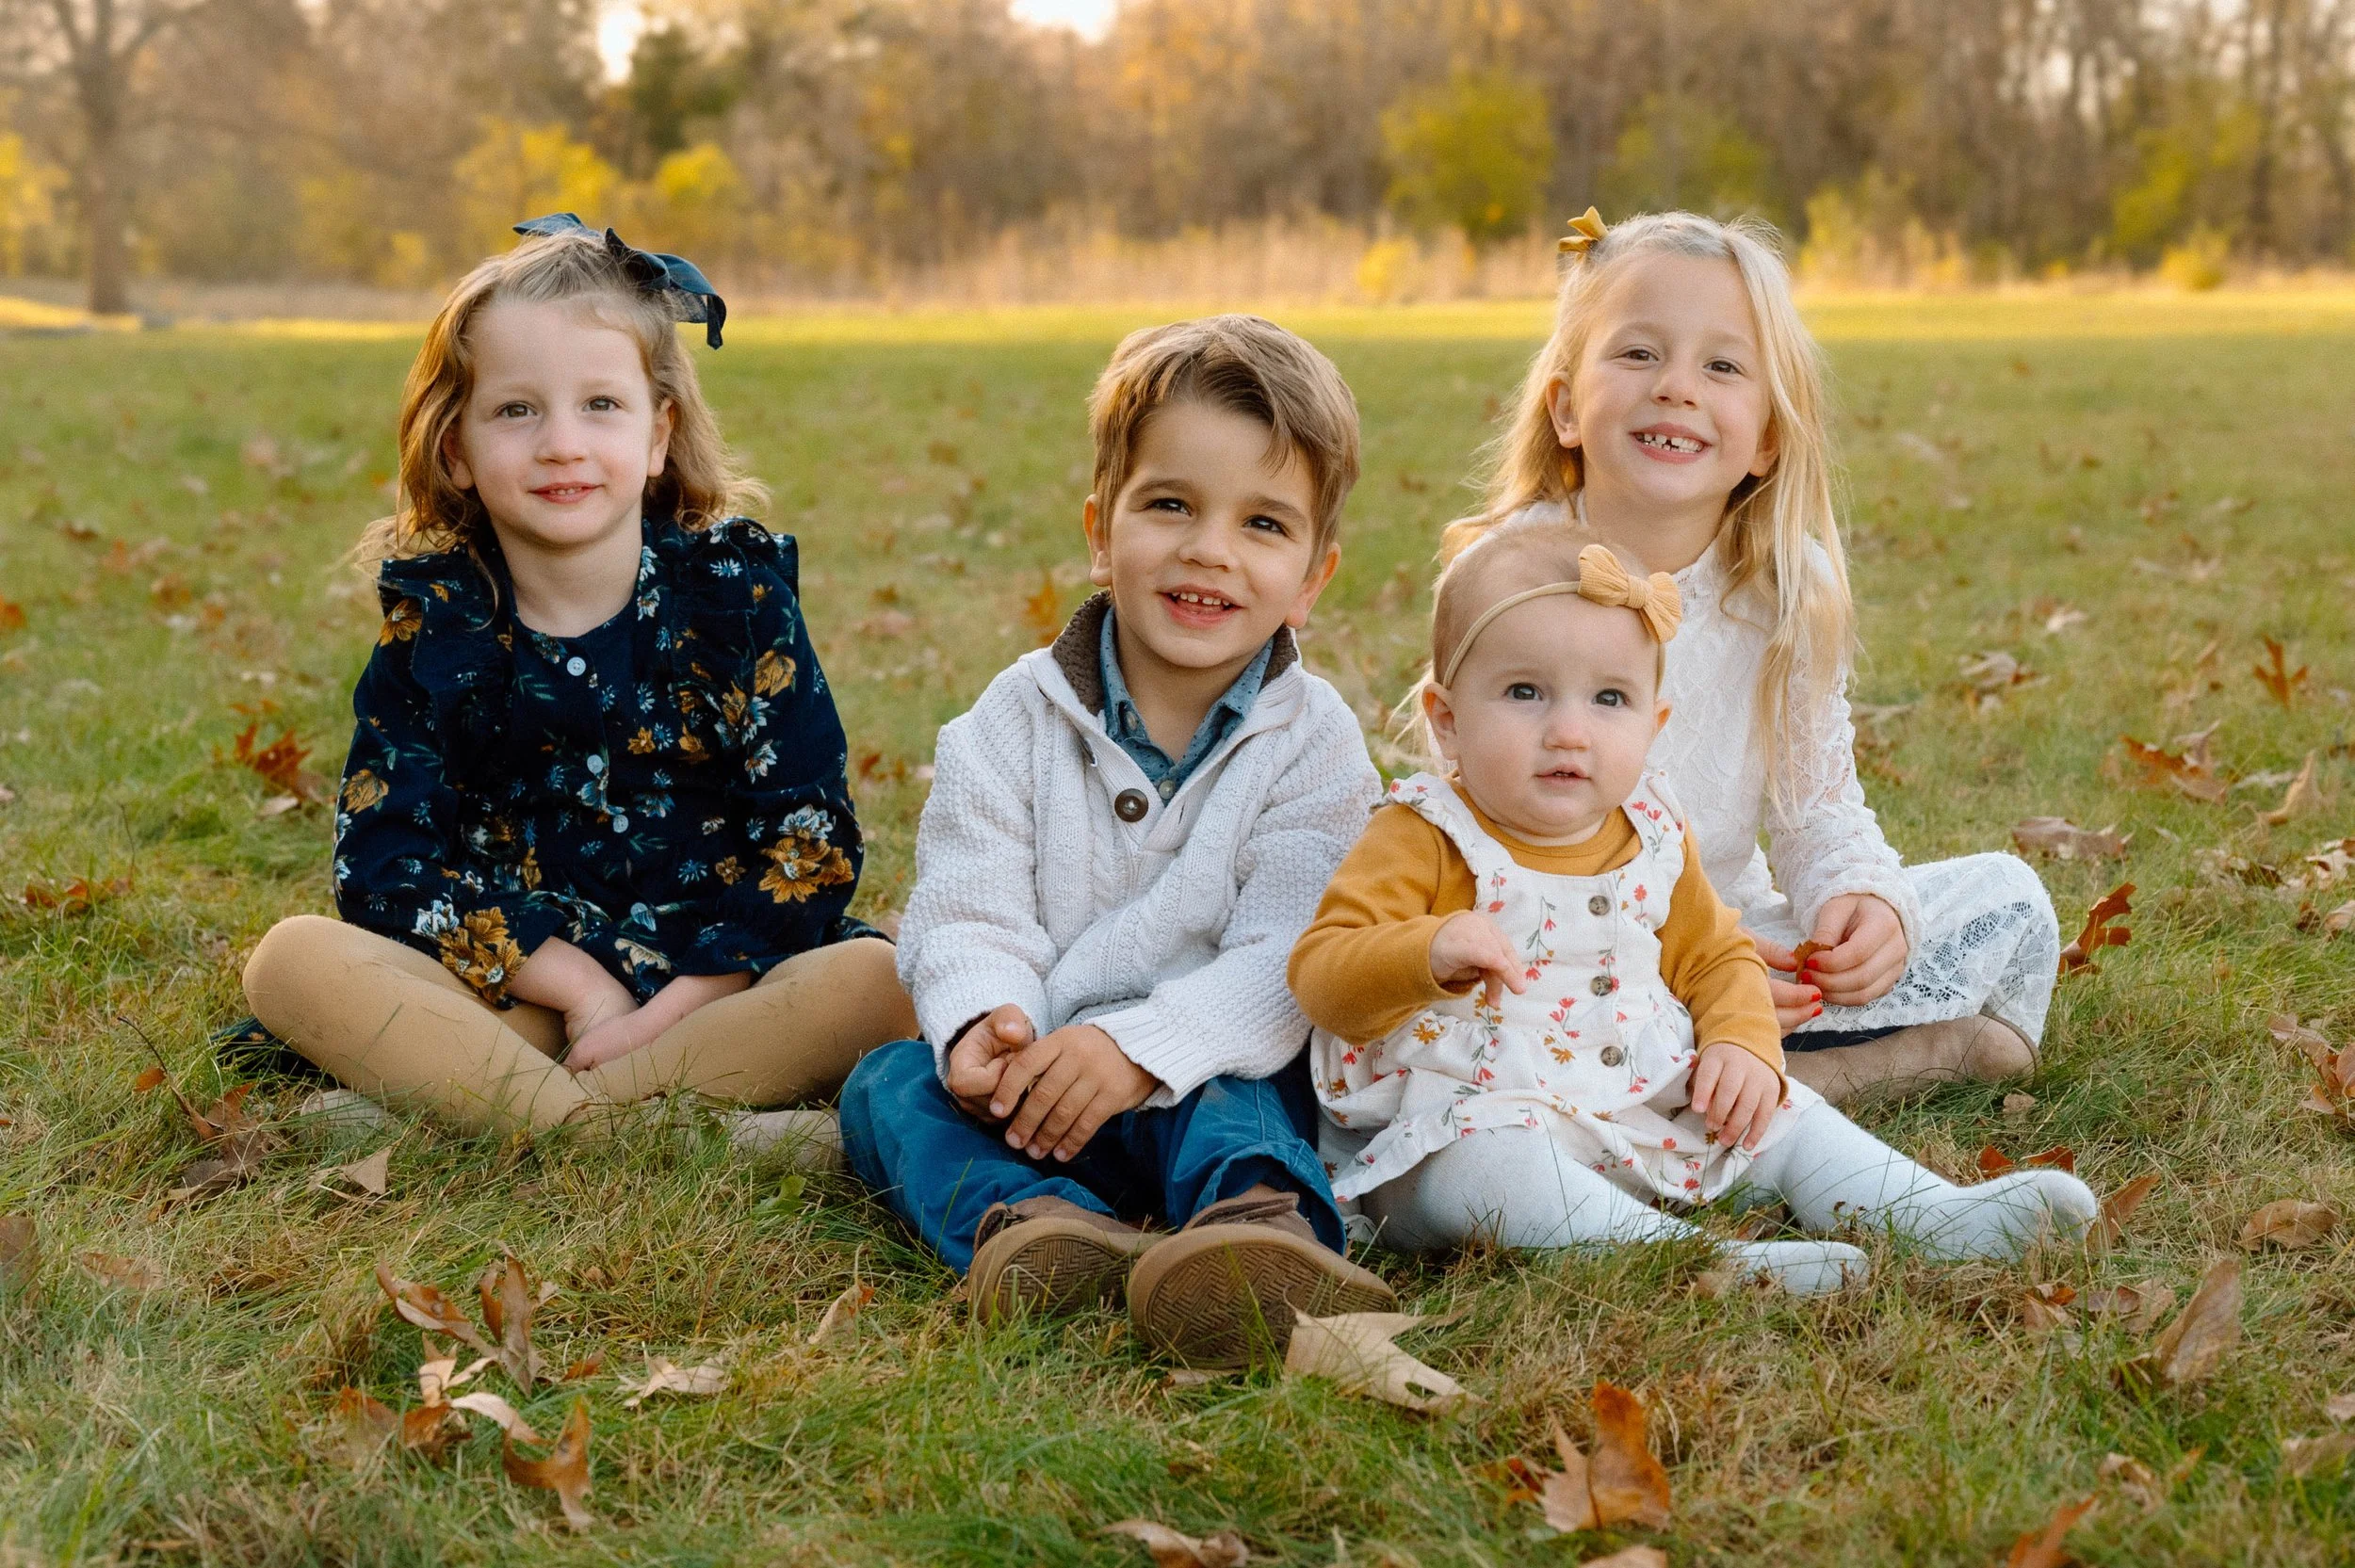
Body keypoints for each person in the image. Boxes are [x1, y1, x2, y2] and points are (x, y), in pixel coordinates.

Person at [240, 214, 915, 1139]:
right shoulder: (441, 629)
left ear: (655, 435)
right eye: (517, 410)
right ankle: (645, 1134)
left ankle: (499, 1117)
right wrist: (580, 986)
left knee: (878, 983)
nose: (561, 442)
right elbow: (385, 861)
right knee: (291, 963)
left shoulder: (733, 605)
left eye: (600, 405)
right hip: (519, 992)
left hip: (708, 995)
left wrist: (666, 1009)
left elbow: (809, 840)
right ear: (457, 451)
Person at [1288, 524, 2096, 1285]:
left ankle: (1926, 1213)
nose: (1570, 731)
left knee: (1785, 1115)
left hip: (1637, 1098)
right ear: (1447, 718)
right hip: (1462, 1119)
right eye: (1526, 692)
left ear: (1653, 723)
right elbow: (1321, 973)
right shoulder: (1425, 832)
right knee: (1488, 1167)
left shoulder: (1651, 829)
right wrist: (1423, 950)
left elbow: (1717, 955)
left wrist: (1745, 1042)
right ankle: (1689, 1258)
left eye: (1609, 700)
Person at [840, 315, 1392, 1367]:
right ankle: (1045, 1232)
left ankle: (1253, 1242)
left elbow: (1286, 959)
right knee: (884, 1090)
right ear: (1102, 530)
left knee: (1245, 1106)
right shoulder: (1010, 721)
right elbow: (965, 908)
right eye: (1170, 505)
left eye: (1263, 525)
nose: (1207, 550)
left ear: (1314, 578)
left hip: (1205, 1068)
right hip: (1036, 1087)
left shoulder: (1315, 745)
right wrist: (982, 1025)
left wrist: (1144, 1052)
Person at [1449, 207, 2064, 1107]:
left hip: (1740, 929)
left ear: (1768, 436)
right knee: (1452, 991)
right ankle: (1829, 1074)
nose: (1677, 388)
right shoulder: (1507, 573)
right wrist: (1680, 966)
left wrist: (1861, 905)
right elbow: (1466, 836)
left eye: (1723, 366)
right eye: (1638, 354)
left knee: (2005, 899)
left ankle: (1751, 1060)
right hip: (1557, 937)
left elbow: (1816, 809)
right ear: (1566, 405)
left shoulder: (1781, 590)